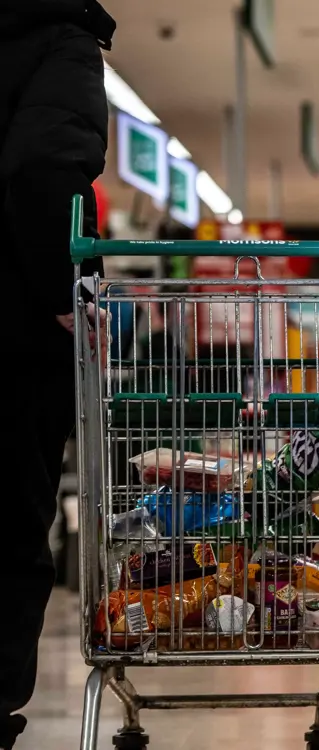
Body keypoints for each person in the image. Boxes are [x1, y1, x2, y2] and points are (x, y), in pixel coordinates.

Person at [0, 1, 116, 746]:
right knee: (7, 533)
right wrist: (71, 288)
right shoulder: (61, 44)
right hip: (11, 340)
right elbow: (44, 164)